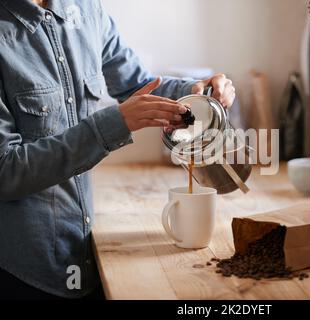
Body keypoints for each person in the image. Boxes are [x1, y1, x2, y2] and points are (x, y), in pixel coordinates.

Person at [0, 0, 235, 299]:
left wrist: (196, 92)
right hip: (25, 271)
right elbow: (5, 171)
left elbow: (139, 85)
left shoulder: (86, 10)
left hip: (83, 249)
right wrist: (112, 124)